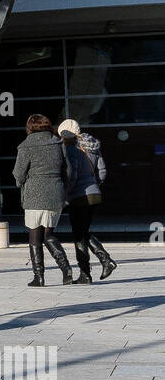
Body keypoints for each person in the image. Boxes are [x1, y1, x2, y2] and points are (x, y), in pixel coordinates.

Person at [12, 112, 74, 287]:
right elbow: (67, 170)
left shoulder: (26, 145)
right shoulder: (58, 143)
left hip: (34, 195)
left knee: (35, 237)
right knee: (49, 234)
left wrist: (20, 182)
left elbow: (18, 173)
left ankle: (39, 277)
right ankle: (66, 269)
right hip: (55, 193)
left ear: (30, 127)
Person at [58, 118, 117, 282]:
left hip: (79, 196)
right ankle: (93, 269)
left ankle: (98, 265)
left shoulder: (71, 148)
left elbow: (72, 174)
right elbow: (102, 171)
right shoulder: (93, 145)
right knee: (83, 232)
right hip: (94, 194)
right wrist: (94, 185)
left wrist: (66, 194)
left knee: (79, 235)